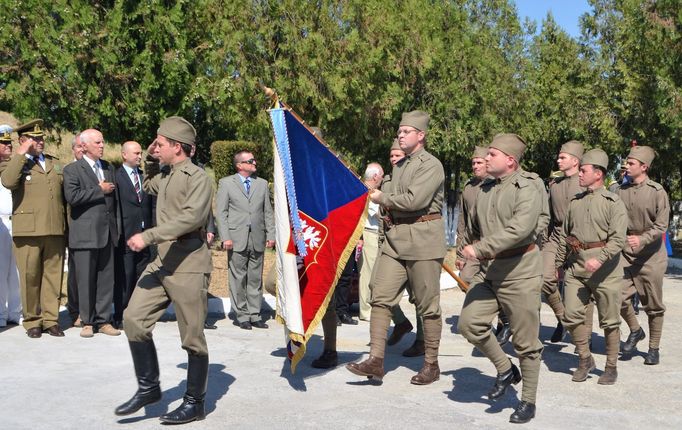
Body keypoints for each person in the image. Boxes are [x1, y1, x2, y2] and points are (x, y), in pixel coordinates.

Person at [115, 116, 214, 424]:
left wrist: (148, 236)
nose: (155, 147)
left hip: (188, 264)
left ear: (177, 147)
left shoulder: (199, 177)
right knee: (133, 320)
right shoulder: (167, 175)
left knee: (192, 338)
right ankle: (149, 387)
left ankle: (195, 402)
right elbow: (145, 182)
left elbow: (190, 219)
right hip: (162, 262)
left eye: (160, 143)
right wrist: (149, 153)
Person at [347, 110, 445, 385]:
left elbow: (414, 200)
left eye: (406, 131)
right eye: (399, 131)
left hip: (424, 241)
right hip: (395, 238)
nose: (400, 135)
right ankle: (376, 360)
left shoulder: (431, 165)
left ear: (421, 135)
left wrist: (382, 197)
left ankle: (431, 364)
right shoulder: (400, 166)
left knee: (428, 305)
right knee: (380, 296)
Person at [457, 134, 545, 424]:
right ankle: (506, 369)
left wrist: (480, 248)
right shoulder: (484, 189)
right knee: (470, 323)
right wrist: (464, 251)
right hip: (489, 270)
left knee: (526, 341)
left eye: (492, 154)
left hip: (520, 271)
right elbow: (472, 227)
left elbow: (520, 228)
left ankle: (528, 401)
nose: (486, 157)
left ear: (510, 160)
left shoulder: (528, 186)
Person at [556, 149, 627, 385]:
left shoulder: (613, 203)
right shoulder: (575, 202)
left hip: (606, 270)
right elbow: (564, 236)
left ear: (598, 174)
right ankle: (585, 359)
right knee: (571, 316)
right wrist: (558, 264)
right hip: (577, 268)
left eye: (584, 171)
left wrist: (600, 258)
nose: (580, 175)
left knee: (609, 321)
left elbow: (618, 239)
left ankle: (611, 367)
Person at [0, 119, 66, 338]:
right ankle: (32, 321)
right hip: (28, 229)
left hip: (55, 227)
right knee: (29, 276)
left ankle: (51, 319)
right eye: (35, 138)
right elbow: (8, 181)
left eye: (41, 138)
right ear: (24, 140)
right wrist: (21, 153)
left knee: (52, 276)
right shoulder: (13, 163)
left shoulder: (53, 162)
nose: (40, 142)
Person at [614, 145, 669, 365]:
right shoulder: (619, 190)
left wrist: (643, 239)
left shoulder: (657, 192)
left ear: (644, 167)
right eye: (626, 162)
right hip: (626, 252)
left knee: (653, 305)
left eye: (631, 163)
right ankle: (635, 330)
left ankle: (653, 348)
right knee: (616, 297)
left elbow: (662, 225)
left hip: (652, 255)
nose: (626, 166)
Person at [63, 129, 120, 338]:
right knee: (85, 281)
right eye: (97, 142)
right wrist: (99, 190)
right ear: (84, 146)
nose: (102, 145)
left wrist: (117, 229)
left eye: (103, 142)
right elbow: (72, 196)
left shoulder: (108, 168)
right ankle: (87, 321)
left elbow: (115, 204)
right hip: (85, 235)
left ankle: (104, 320)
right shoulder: (72, 170)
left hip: (106, 233)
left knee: (106, 280)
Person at [216, 150, 275, 330]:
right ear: (239, 165)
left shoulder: (262, 184)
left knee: (255, 278)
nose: (254, 162)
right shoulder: (226, 183)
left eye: (254, 160)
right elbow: (221, 213)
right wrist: (225, 237)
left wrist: (271, 235)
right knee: (238, 277)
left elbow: (268, 212)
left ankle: (255, 314)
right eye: (250, 161)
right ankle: (241, 315)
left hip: (257, 237)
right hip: (236, 238)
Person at [543, 141, 589, 343]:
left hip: (581, 237)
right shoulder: (555, 185)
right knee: (544, 280)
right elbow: (549, 217)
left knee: (583, 290)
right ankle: (563, 319)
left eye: (563, 157)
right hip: (556, 236)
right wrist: (545, 242)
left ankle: (584, 337)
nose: (558, 160)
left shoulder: (585, 185)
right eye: (559, 157)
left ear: (575, 161)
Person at [382, 140, 423, 357]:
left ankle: (422, 341)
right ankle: (400, 322)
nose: (394, 159)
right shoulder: (387, 181)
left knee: (418, 295)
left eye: (398, 155)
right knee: (375, 288)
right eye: (391, 156)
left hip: (416, 242)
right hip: (391, 242)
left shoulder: (416, 177)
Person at [113, 141, 153, 329]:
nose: (139, 156)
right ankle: (121, 314)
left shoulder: (144, 177)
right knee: (125, 277)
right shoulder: (116, 177)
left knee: (141, 276)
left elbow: (150, 205)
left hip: (144, 235)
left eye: (141, 152)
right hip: (126, 235)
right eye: (136, 153)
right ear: (124, 155)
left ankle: (138, 313)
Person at [357, 162, 384, 321]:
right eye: (381, 176)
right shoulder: (366, 191)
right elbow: (376, 214)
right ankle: (366, 311)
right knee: (367, 273)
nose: (381, 179)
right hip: (369, 233)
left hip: (374, 233)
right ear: (375, 176)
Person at [0, 126, 21, 327]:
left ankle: (16, 311)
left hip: (17, 221)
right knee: (0, 269)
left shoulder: (15, 166)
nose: (8, 146)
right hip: (1, 222)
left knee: (17, 270)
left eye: (9, 143)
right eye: (4, 143)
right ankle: (0, 313)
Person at [66, 133, 84, 326]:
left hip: (91, 230)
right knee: (75, 274)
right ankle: (75, 310)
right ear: (73, 150)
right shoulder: (68, 171)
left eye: (83, 146)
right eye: (78, 147)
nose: (81, 150)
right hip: (72, 228)